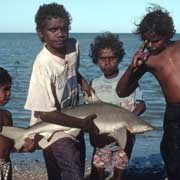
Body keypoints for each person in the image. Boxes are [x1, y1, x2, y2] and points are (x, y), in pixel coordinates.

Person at [24, 3, 97, 180]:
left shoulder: (73, 45)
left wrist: (82, 81)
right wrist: (83, 124)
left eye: (64, 28)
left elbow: (71, 69)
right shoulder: (43, 65)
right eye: (53, 29)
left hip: (73, 119)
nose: (60, 34)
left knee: (69, 167)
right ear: (41, 33)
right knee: (73, 171)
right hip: (50, 128)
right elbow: (45, 113)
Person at [116, 5, 180, 180]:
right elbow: (121, 91)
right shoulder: (147, 60)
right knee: (172, 154)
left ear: (168, 35)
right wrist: (132, 67)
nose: (150, 46)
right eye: (147, 41)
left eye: (156, 41)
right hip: (175, 112)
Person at [88, 32, 146, 180]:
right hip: (102, 136)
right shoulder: (94, 83)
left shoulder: (129, 80)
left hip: (124, 136)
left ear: (119, 58)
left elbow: (142, 104)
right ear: (96, 60)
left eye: (112, 58)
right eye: (102, 59)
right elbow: (88, 111)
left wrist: (130, 119)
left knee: (119, 171)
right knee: (98, 169)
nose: (107, 63)